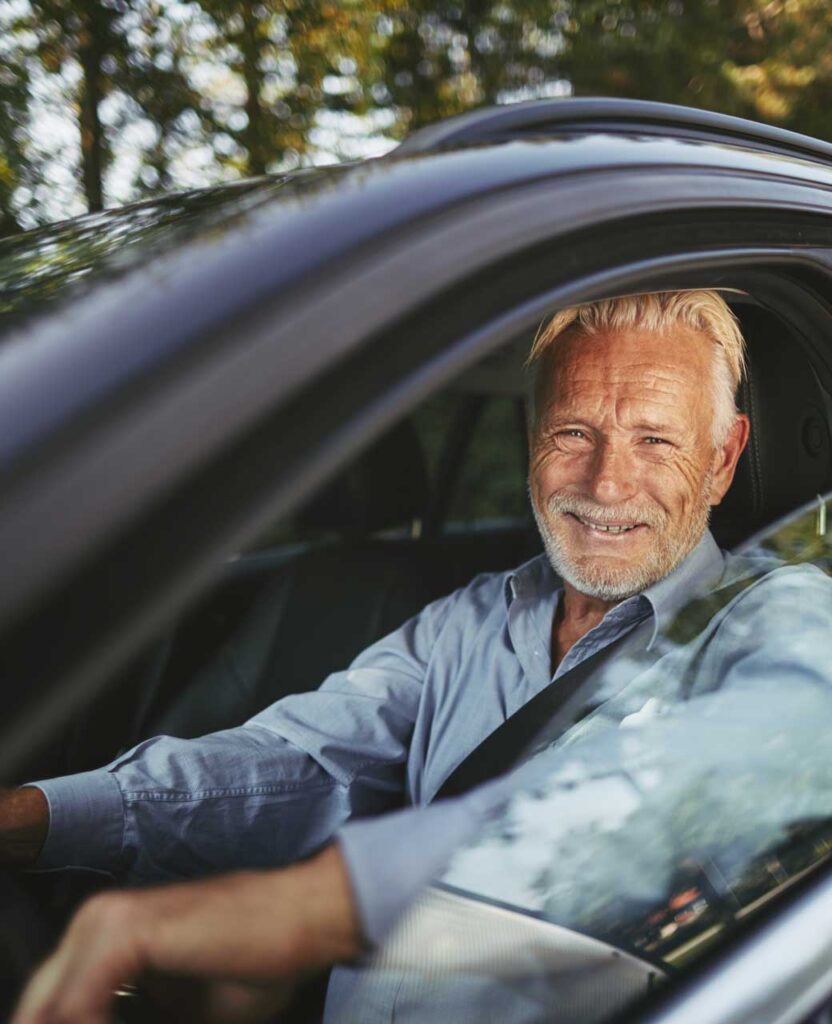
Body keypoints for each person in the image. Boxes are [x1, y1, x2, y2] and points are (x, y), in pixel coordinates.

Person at [6, 290, 832, 1023]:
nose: (606, 482)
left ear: (723, 459)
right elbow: (301, 761)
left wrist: (311, 910)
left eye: (655, 440)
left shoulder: (783, 614)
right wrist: (39, 818)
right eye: (574, 430)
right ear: (532, 439)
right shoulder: (473, 616)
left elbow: (738, 765)